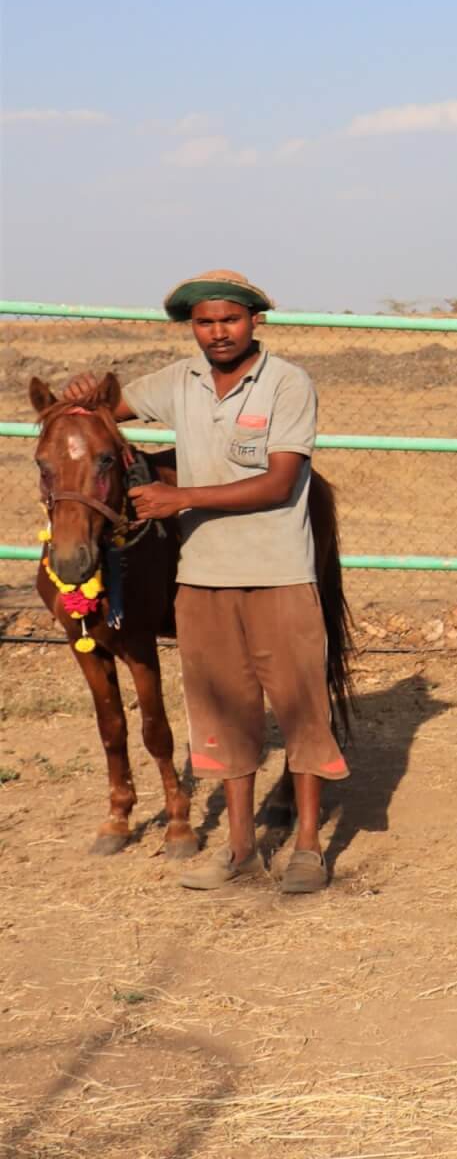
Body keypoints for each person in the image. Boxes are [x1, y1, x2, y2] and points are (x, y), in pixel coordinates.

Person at [64, 270, 347, 894]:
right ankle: (241, 847)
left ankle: (305, 846)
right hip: (202, 580)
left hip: (278, 573)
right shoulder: (178, 381)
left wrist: (179, 497)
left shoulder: (287, 384)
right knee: (225, 714)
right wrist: (85, 394)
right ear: (192, 327)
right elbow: (98, 418)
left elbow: (279, 482)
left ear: (254, 321)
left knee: (300, 711)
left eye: (229, 319)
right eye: (204, 322)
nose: (217, 332)